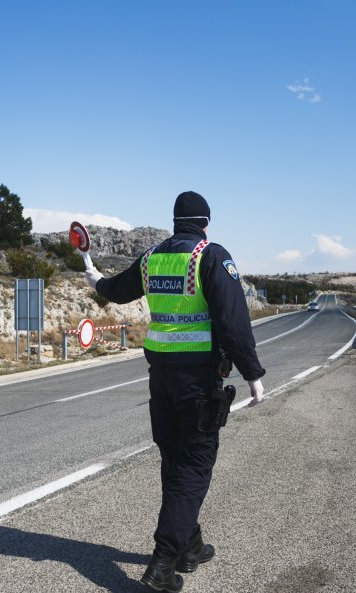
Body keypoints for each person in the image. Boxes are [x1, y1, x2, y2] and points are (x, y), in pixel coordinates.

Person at [83, 191, 266, 592]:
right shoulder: (210, 256)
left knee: (174, 459)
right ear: (205, 221)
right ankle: (164, 563)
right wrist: (253, 374)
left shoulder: (152, 258)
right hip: (198, 380)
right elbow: (234, 321)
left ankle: (190, 547)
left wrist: (96, 279)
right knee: (195, 466)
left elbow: (116, 290)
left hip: (160, 377)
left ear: (175, 220)